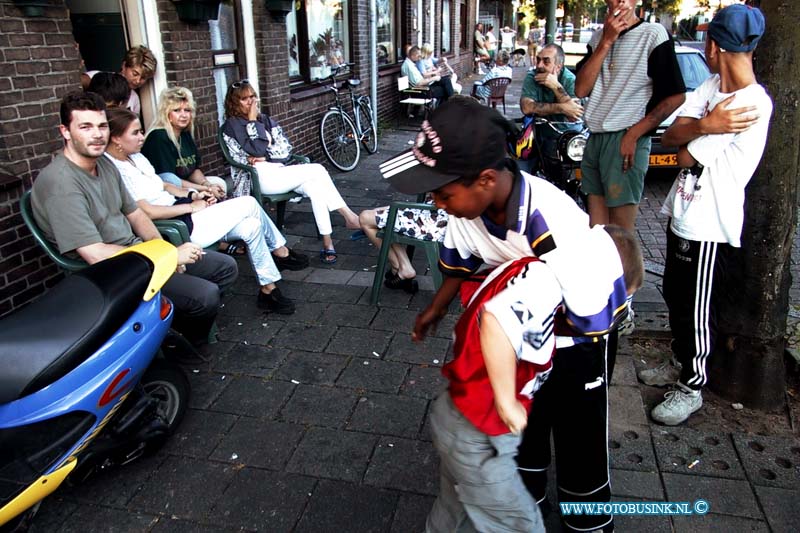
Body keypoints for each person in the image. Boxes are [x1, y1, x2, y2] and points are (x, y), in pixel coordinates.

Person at [426, 225, 643, 532]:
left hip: (534, 362)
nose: (618, 309)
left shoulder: (535, 258)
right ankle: (572, 515)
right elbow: (495, 321)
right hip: (553, 360)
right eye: (621, 300)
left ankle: (545, 502)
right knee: (578, 440)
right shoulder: (550, 281)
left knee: (554, 435)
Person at [637, 4, 772, 426]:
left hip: (711, 223)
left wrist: (700, 128)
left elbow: (682, 154)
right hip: (684, 211)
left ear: (712, 44)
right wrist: (704, 124)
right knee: (676, 296)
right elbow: (671, 136)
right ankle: (679, 360)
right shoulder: (713, 86)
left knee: (697, 307)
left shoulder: (749, 104)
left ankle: (692, 385)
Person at [30, 91, 237, 345]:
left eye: (102, 126)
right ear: (65, 131)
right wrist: (167, 258)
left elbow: (136, 213)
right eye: (85, 127)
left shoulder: (104, 164)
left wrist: (164, 250)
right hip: (112, 272)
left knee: (225, 267)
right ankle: (175, 343)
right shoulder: (61, 183)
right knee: (205, 296)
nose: (97, 134)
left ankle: (171, 325)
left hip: (140, 253)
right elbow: (94, 254)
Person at [105, 108, 309, 314]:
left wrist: (194, 194)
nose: (142, 137)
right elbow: (146, 211)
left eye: (141, 131)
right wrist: (191, 207)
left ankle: (268, 289)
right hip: (177, 225)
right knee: (248, 203)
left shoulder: (137, 158)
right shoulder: (114, 170)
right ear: (116, 139)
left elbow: (164, 186)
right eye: (135, 133)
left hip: (184, 209)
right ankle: (281, 251)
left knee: (252, 226)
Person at [220, 80, 361, 264]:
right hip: (258, 178)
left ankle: (328, 243)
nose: (251, 102)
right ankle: (349, 216)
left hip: (279, 171)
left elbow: (285, 148)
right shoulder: (233, 125)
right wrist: (253, 122)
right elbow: (255, 149)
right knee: (317, 169)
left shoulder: (265, 120)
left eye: (252, 96)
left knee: (315, 187)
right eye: (244, 99)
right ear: (234, 103)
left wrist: (267, 157)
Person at [575, 0, 685, 232]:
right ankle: (606, 269)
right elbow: (581, 89)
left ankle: (630, 270)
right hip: (596, 136)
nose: (621, 2)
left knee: (621, 233)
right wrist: (606, 41)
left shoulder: (653, 34)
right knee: (597, 231)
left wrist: (634, 135)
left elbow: (675, 96)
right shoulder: (598, 38)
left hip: (626, 135)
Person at [141, 86, 227, 200]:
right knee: (208, 194)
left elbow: (192, 170)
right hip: (167, 191)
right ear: (166, 114)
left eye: (187, 110)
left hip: (185, 184)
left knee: (219, 183)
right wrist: (206, 189)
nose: (184, 115)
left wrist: (207, 185)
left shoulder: (184, 133)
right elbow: (169, 180)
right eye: (176, 110)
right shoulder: (158, 137)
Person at [358, 202, 448, 294]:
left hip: (432, 223)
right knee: (381, 215)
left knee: (365, 217)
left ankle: (398, 266)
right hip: (436, 216)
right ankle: (402, 266)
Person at [81, 45, 157, 115]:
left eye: (143, 78)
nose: (138, 81)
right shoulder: (99, 78)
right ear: (124, 66)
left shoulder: (134, 99)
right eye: (135, 74)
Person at [520, 43, 583, 122]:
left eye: (546, 61)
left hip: (567, 131)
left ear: (558, 67)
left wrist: (556, 87)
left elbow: (573, 117)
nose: (539, 65)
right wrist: (562, 108)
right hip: (540, 130)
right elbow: (526, 108)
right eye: (538, 60)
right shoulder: (533, 76)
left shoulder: (570, 79)